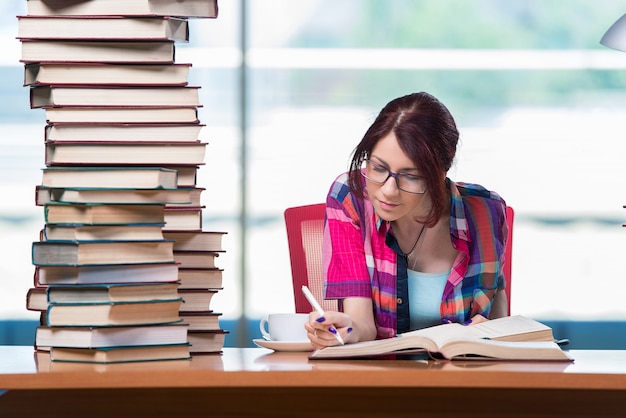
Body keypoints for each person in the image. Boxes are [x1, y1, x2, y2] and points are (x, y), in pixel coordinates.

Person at [305, 92, 509, 349]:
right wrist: (347, 330)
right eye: (378, 168)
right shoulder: (350, 197)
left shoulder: (487, 212)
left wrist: (493, 333)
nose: (388, 190)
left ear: (441, 173)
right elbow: (362, 324)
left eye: (410, 176)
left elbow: (501, 322)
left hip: (464, 379)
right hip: (383, 381)